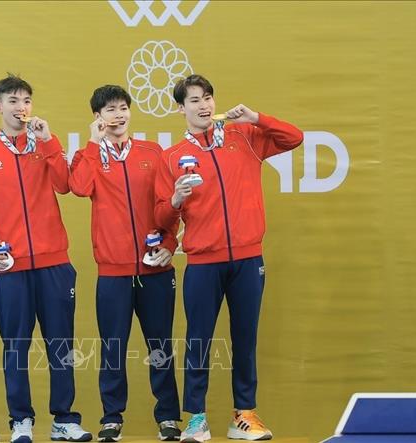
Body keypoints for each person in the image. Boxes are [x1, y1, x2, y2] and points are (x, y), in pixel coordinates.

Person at [154, 74, 303, 442]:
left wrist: (256, 118)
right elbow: (161, 217)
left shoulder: (244, 137)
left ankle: (244, 415)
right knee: (198, 341)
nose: (203, 105)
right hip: (203, 263)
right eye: (194, 100)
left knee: (245, 339)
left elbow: (294, 137)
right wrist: (175, 199)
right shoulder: (171, 157)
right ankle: (196, 418)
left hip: (248, 260)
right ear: (181, 109)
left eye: (207, 97)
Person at [0, 75, 92, 443]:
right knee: (15, 348)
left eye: (25, 101)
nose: (20, 108)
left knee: (61, 346)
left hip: (55, 265)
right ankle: (20, 419)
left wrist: (49, 141)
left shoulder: (45, 144)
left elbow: (65, 184)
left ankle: (64, 419)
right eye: (12, 101)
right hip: (12, 268)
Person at [69, 85, 181, 442]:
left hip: (155, 269)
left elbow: (169, 206)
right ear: (97, 117)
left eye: (122, 108)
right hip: (113, 272)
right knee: (112, 348)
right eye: (109, 110)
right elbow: (78, 187)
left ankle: (168, 416)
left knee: (160, 346)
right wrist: (92, 143)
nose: (118, 115)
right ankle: (112, 417)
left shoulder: (153, 152)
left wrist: (170, 243)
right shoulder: (88, 156)